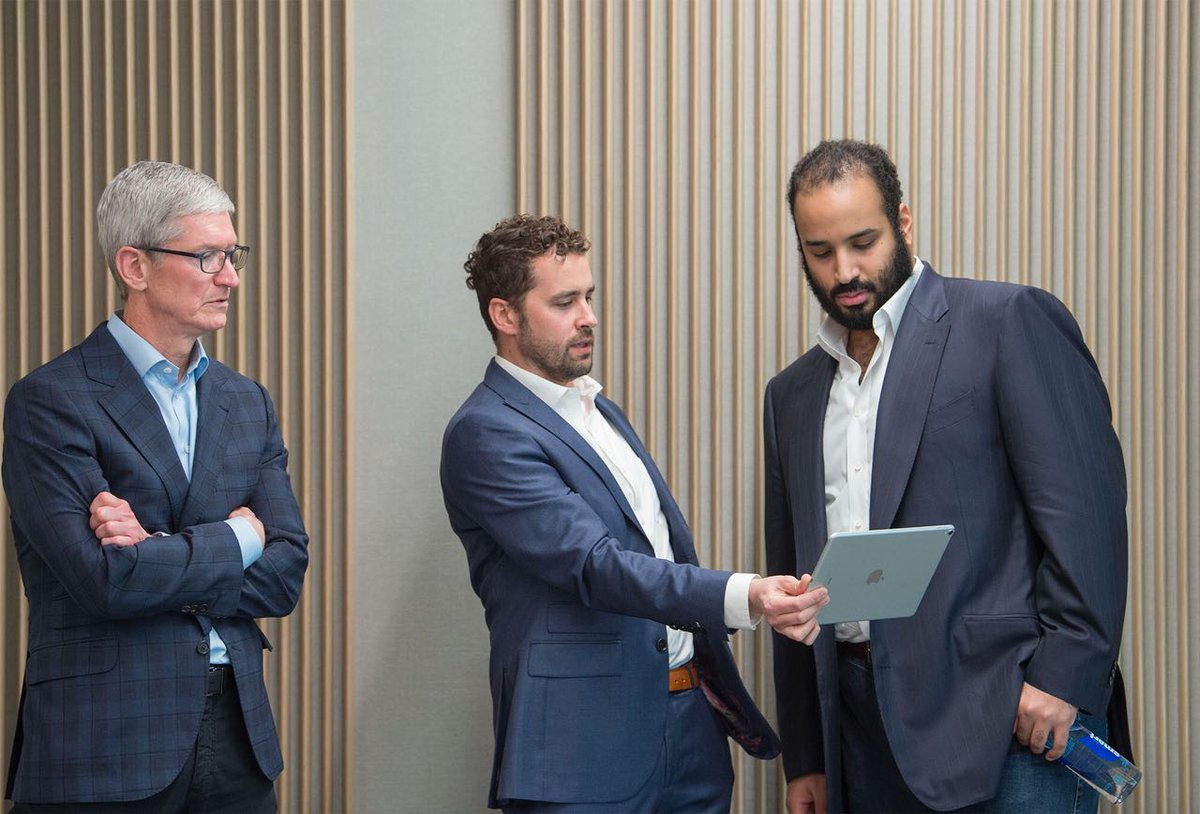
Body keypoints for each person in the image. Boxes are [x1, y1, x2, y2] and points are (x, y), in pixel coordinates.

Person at [763, 140, 1128, 813]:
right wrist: (807, 754)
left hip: (1007, 718)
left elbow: (1088, 518)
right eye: (820, 251)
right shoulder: (791, 393)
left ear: (903, 222)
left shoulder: (1007, 321)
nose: (845, 270)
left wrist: (1065, 678)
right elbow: (794, 574)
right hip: (857, 733)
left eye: (863, 242)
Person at [442, 214, 829, 813]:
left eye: (589, 296)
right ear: (505, 315)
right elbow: (596, 566)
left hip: (690, 725)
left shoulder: (601, 410)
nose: (589, 316)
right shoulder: (485, 432)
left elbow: (659, 548)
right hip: (581, 750)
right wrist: (747, 594)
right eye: (565, 302)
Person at [3, 161, 309, 813]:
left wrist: (155, 551)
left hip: (238, 741)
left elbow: (285, 573)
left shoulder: (246, 402)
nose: (230, 277)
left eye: (233, 256)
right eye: (206, 257)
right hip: (102, 744)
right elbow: (104, 580)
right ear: (134, 267)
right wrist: (238, 539)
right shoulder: (49, 401)